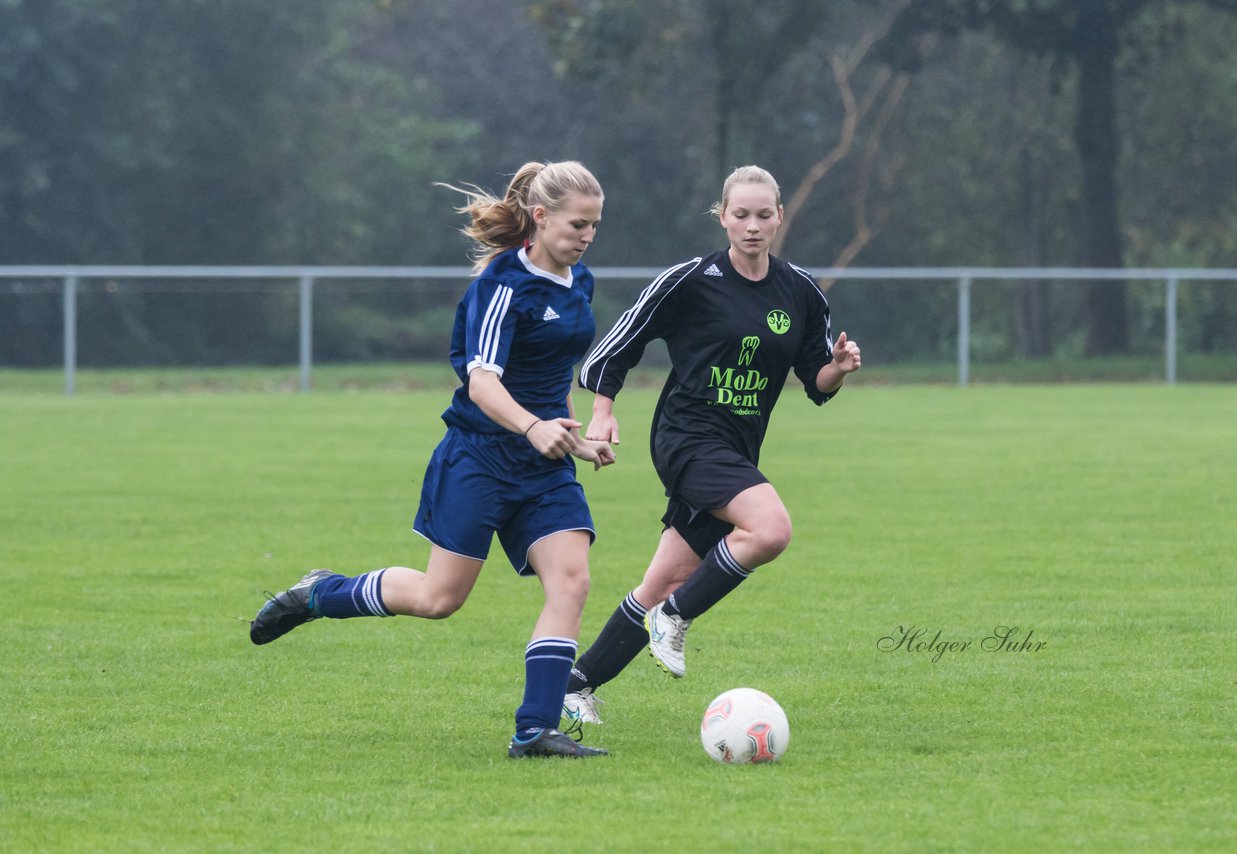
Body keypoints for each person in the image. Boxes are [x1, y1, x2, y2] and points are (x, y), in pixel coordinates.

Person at [249, 161, 615, 759]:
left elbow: (551, 379)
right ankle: (320, 593)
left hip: (543, 467)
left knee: (572, 580)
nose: (587, 236)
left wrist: (573, 439)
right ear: (541, 218)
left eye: (595, 225)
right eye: (578, 224)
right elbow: (482, 383)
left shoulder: (582, 281)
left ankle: (535, 730)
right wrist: (532, 427)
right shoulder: (502, 287)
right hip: (481, 457)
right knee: (438, 599)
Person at [561, 165, 860, 730]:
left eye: (763, 215)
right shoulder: (690, 280)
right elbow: (613, 349)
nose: (752, 226)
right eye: (740, 215)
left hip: (736, 450)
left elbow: (815, 381)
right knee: (770, 530)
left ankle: (576, 686)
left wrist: (838, 370)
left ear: (779, 218)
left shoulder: (799, 292)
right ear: (721, 216)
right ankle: (675, 618)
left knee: (664, 580)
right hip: (686, 438)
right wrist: (602, 413)